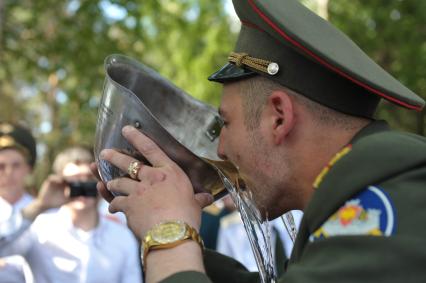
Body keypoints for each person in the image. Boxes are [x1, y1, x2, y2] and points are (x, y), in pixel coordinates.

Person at [96, 0, 426, 282]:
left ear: (279, 117)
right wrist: (162, 221)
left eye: (225, 123)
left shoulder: (388, 197)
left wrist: (168, 234)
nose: (221, 148)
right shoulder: (369, 193)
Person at [0, 146, 143, 283]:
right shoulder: (38, 229)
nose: (81, 186)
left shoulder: (121, 236)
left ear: (99, 182)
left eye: (88, 179)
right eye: (74, 180)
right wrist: (39, 206)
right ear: (59, 183)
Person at [0, 121, 36, 282]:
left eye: (16, 165)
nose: (8, 173)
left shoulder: (45, 211)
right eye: (1, 166)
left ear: (28, 168)